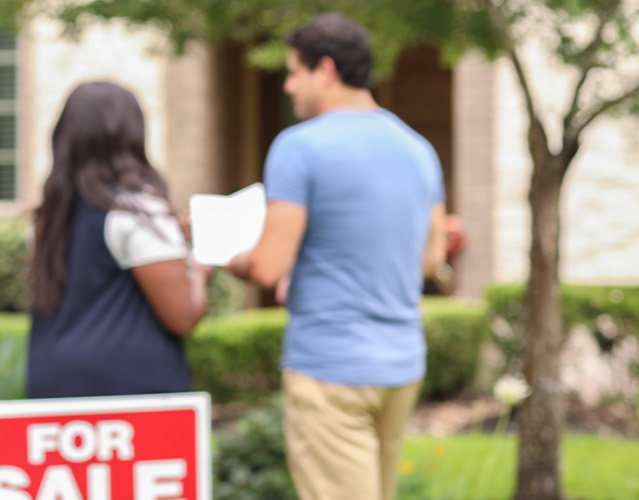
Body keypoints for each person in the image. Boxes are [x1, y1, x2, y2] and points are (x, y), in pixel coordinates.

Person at [226, 14, 447, 500]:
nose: (287, 87)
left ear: (324, 70)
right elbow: (430, 259)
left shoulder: (298, 148)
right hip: (401, 366)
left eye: (293, 72)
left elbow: (267, 266)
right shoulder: (418, 149)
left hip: (330, 369)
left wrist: (230, 256)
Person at [27, 81, 213, 398]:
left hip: (53, 386)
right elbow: (182, 317)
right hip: (131, 396)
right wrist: (200, 266)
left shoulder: (49, 219)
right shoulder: (138, 212)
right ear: (132, 135)